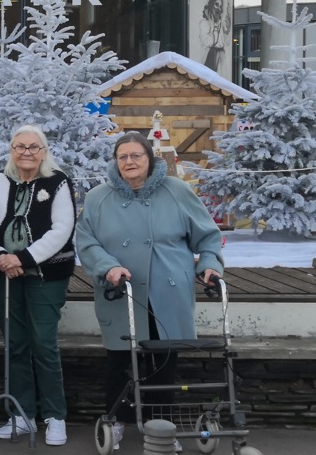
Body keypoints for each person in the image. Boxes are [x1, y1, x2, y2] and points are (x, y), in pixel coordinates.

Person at [76, 131, 224, 452]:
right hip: (122, 289)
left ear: (150, 159)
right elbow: (86, 241)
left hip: (167, 290)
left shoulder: (177, 190)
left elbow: (208, 236)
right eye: (123, 156)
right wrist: (107, 266)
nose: (129, 161)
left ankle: (162, 425)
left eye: (136, 155)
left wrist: (210, 264)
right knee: (120, 360)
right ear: (116, 162)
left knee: (164, 361)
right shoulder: (98, 197)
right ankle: (116, 421)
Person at [0, 125, 76, 446]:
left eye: (33, 147)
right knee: (14, 344)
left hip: (46, 276)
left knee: (44, 344)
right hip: (5, 275)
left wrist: (23, 258)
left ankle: (55, 416)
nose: (26, 152)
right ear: (11, 150)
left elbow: (62, 229)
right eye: (20, 146)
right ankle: (22, 415)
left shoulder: (58, 182)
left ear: (43, 152)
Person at [198, 0, 231, 72]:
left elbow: (227, 42)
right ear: (211, 5)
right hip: (212, 55)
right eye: (216, 4)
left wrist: (228, 26)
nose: (218, 8)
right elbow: (209, 42)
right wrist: (215, 28)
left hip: (221, 54)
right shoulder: (205, 23)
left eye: (220, 6)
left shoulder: (220, 22)